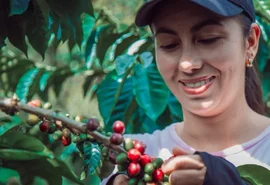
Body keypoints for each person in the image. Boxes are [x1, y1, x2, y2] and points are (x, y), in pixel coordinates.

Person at [102, 0, 270, 184]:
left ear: (251, 43)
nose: (187, 64)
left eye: (208, 39)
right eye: (169, 44)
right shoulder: (132, 157)